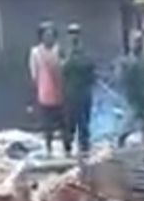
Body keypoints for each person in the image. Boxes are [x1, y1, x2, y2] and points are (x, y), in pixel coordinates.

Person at [117, 30, 144, 147]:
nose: (137, 44)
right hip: (134, 98)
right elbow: (121, 78)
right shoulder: (126, 61)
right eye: (135, 41)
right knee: (127, 125)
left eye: (139, 41)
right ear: (131, 43)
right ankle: (120, 145)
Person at [28, 22, 64, 156]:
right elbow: (34, 74)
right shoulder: (35, 52)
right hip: (45, 92)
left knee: (63, 124)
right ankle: (49, 149)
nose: (49, 38)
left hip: (60, 92)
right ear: (41, 37)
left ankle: (67, 149)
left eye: (51, 35)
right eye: (46, 35)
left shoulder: (59, 50)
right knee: (47, 125)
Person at [61, 23, 96, 159]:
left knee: (84, 123)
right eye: (71, 33)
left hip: (84, 93)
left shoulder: (85, 53)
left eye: (76, 33)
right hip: (70, 93)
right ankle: (68, 149)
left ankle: (84, 149)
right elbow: (62, 70)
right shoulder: (64, 53)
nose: (73, 36)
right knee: (69, 123)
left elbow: (91, 70)